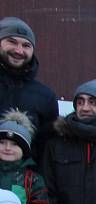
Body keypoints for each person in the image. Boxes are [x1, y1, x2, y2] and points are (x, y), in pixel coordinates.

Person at [0, 17, 58, 159]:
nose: (19, 50)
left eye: (26, 45)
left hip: (25, 180)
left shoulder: (45, 96)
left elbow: (47, 150)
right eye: (12, 42)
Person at [0, 109, 50, 204]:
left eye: (14, 144)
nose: (7, 148)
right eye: (2, 143)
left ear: (24, 149)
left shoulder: (33, 180)